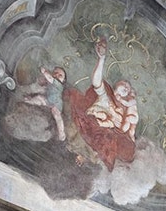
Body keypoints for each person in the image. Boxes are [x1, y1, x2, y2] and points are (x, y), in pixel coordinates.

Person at [67, 37, 139, 170]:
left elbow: (128, 134)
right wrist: (101, 59)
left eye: (126, 90)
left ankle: (92, 156)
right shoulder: (107, 98)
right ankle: (87, 153)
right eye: (121, 87)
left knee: (119, 147)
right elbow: (97, 82)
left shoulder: (125, 113)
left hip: (108, 140)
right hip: (93, 128)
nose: (123, 90)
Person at [23, 65, 67, 140]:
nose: (57, 75)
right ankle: (30, 101)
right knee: (39, 98)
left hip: (55, 104)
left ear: (63, 80)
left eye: (60, 75)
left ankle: (61, 133)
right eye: (55, 73)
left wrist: (45, 72)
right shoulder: (50, 83)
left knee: (57, 117)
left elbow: (49, 78)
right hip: (48, 100)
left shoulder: (58, 84)